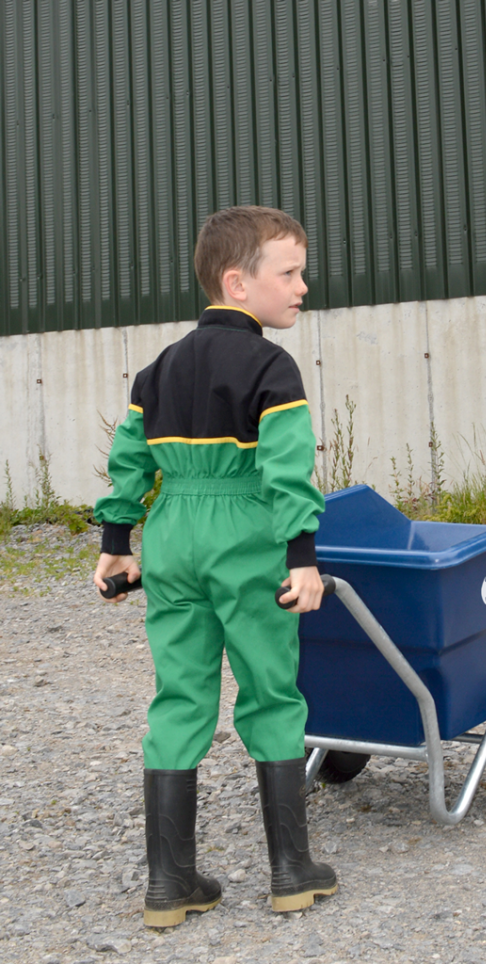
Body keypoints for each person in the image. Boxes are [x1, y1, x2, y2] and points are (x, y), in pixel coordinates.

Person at [92, 206, 336, 928]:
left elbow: (129, 463)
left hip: (171, 540)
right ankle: (291, 872)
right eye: (288, 273)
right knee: (270, 691)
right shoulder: (271, 366)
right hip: (245, 534)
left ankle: (169, 884)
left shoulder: (158, 367)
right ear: (238, 280)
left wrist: (116, 547)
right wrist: (303, 559)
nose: (301, 287)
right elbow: (289, 472)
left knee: (179, 695)